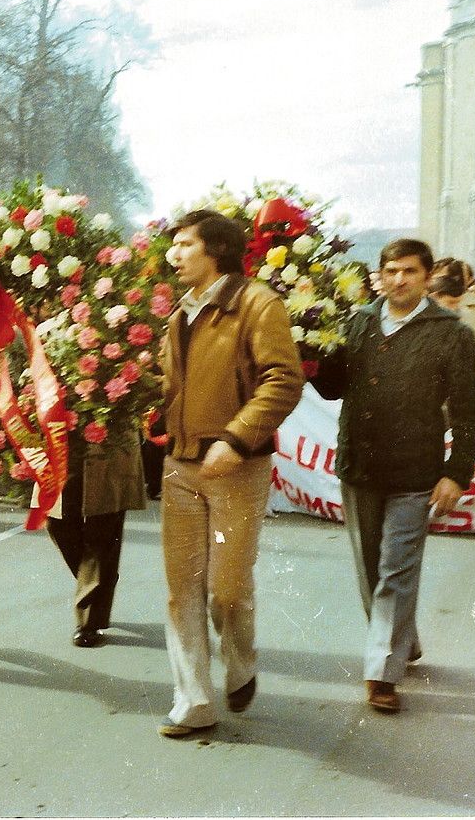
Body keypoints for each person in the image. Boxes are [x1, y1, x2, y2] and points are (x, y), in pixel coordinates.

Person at [313, 238, 475, 713]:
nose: (398, 280)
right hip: (360, 467)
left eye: (409, 271)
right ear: (379, 275)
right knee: (370, 571)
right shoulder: (358, 322)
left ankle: (382, 673)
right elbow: (332, 388)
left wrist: (456, 474)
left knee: (396, 570)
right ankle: (399, 641)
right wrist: (311, 349)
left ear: (427, 277)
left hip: (415, 471)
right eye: (390, 271)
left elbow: (469, 412)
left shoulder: (451, 332)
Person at [156, 210, 304, 737]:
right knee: (181, 589)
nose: (174, 254)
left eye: (184, 244)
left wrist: (237, 439)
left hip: (237, 467)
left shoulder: (256, 304)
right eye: (173, 244)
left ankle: (240, 662)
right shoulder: (179, 314)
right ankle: (193, 702)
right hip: (180, 465)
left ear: (214, 249)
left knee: (227, 588)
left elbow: (284, 380)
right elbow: (174, 388)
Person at [47, 431, 145, 647]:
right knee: (57, 522)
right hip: (61, 436)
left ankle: (88, 623)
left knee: (102, 529)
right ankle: (101, 579)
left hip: (109, 439)